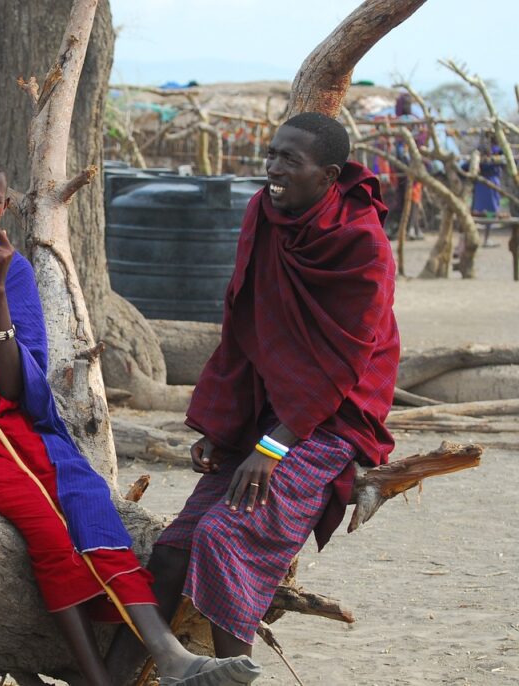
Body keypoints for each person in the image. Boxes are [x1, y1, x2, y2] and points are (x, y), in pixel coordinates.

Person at [0, 151, 261, 686]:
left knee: (86, 499)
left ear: (5, 207)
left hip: (2, 417)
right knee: (46, 523)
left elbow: (14, 381)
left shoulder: (13, 271)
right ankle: (100, 678)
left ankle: (169, 655)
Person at [106, 113, 399, 682]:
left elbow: (347, 360)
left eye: (290, 160)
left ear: (330, 174)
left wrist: (270, 446)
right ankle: (107, 680)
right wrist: (225, 428)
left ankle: (228, 675)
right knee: (170, 551)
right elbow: (245, 319)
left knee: (223, 534)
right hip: (270, 409)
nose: (272, 168)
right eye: (271, 154)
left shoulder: (362, 243)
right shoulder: (263, 213)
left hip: (331, 419)